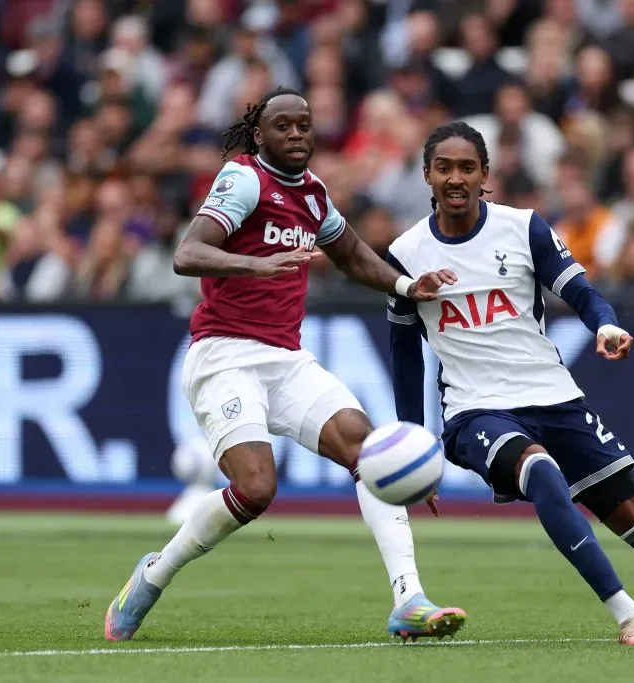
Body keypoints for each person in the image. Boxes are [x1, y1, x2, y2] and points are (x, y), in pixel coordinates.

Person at [385, 121, 634, 646]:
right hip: (476, 410)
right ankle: (629, 614)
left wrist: (604, 323)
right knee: (541, 471)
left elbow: (579, 289)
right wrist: (413, 447)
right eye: (444, 168)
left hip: (554, 397)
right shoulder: (406, 253)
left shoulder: (523, 227)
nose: (456, 178)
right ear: (427, 175)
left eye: (467, 167)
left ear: (485, 173)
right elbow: (403, 353)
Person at [105, 87, 465, 643]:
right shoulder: (244, 179)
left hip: (286, 360)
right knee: (255, 489)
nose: (296, 135)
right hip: (223, 354)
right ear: (260, 135)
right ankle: (153, 575)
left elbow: (350, 255)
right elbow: (188, 253)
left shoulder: (314, 194)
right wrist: (254, 265)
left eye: (304, 125)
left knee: (367, 451)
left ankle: (408, 599)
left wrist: (403, 284)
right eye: (284, 126)